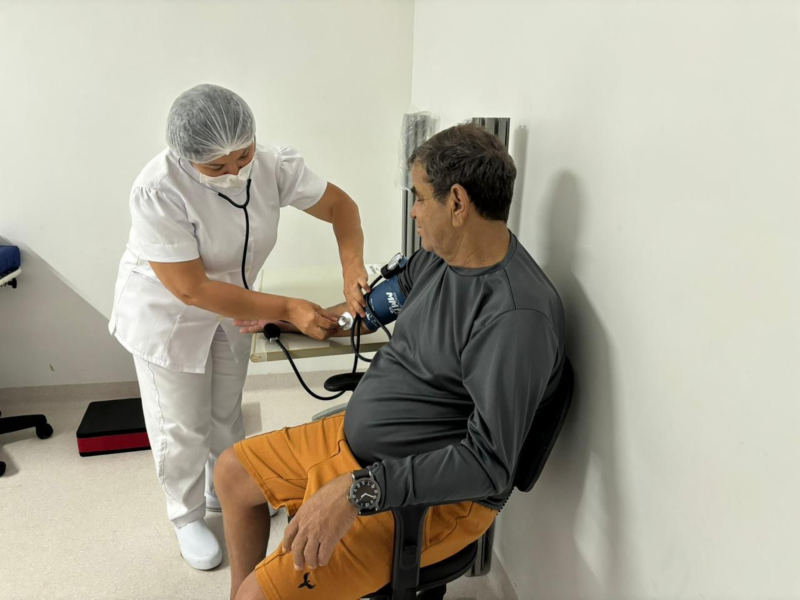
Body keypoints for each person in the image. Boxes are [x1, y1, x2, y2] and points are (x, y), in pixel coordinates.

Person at [216, 123, 567, 600]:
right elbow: (367, 315)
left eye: (419, 197)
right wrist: (296, 319)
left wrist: (360, 490)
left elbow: (488, 466)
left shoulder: (513, 317)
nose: (413, 211)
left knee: (257, 597)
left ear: (458, 203)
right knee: (231, 473)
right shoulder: (439, 259)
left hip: (426, 498)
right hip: (358, 451)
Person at [108, 84, 369, 571]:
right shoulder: (157, 190)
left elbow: (342, 208)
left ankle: (224, 490)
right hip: (168, 313)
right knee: (181, 423)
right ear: (186, 157)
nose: (234, 172)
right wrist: (286, 307)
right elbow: (190, 288)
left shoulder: (272, 165)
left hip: (235, 302)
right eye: (216, 167)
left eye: (243, 156)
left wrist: (352, 265)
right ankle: (185, 516)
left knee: (226, 410)